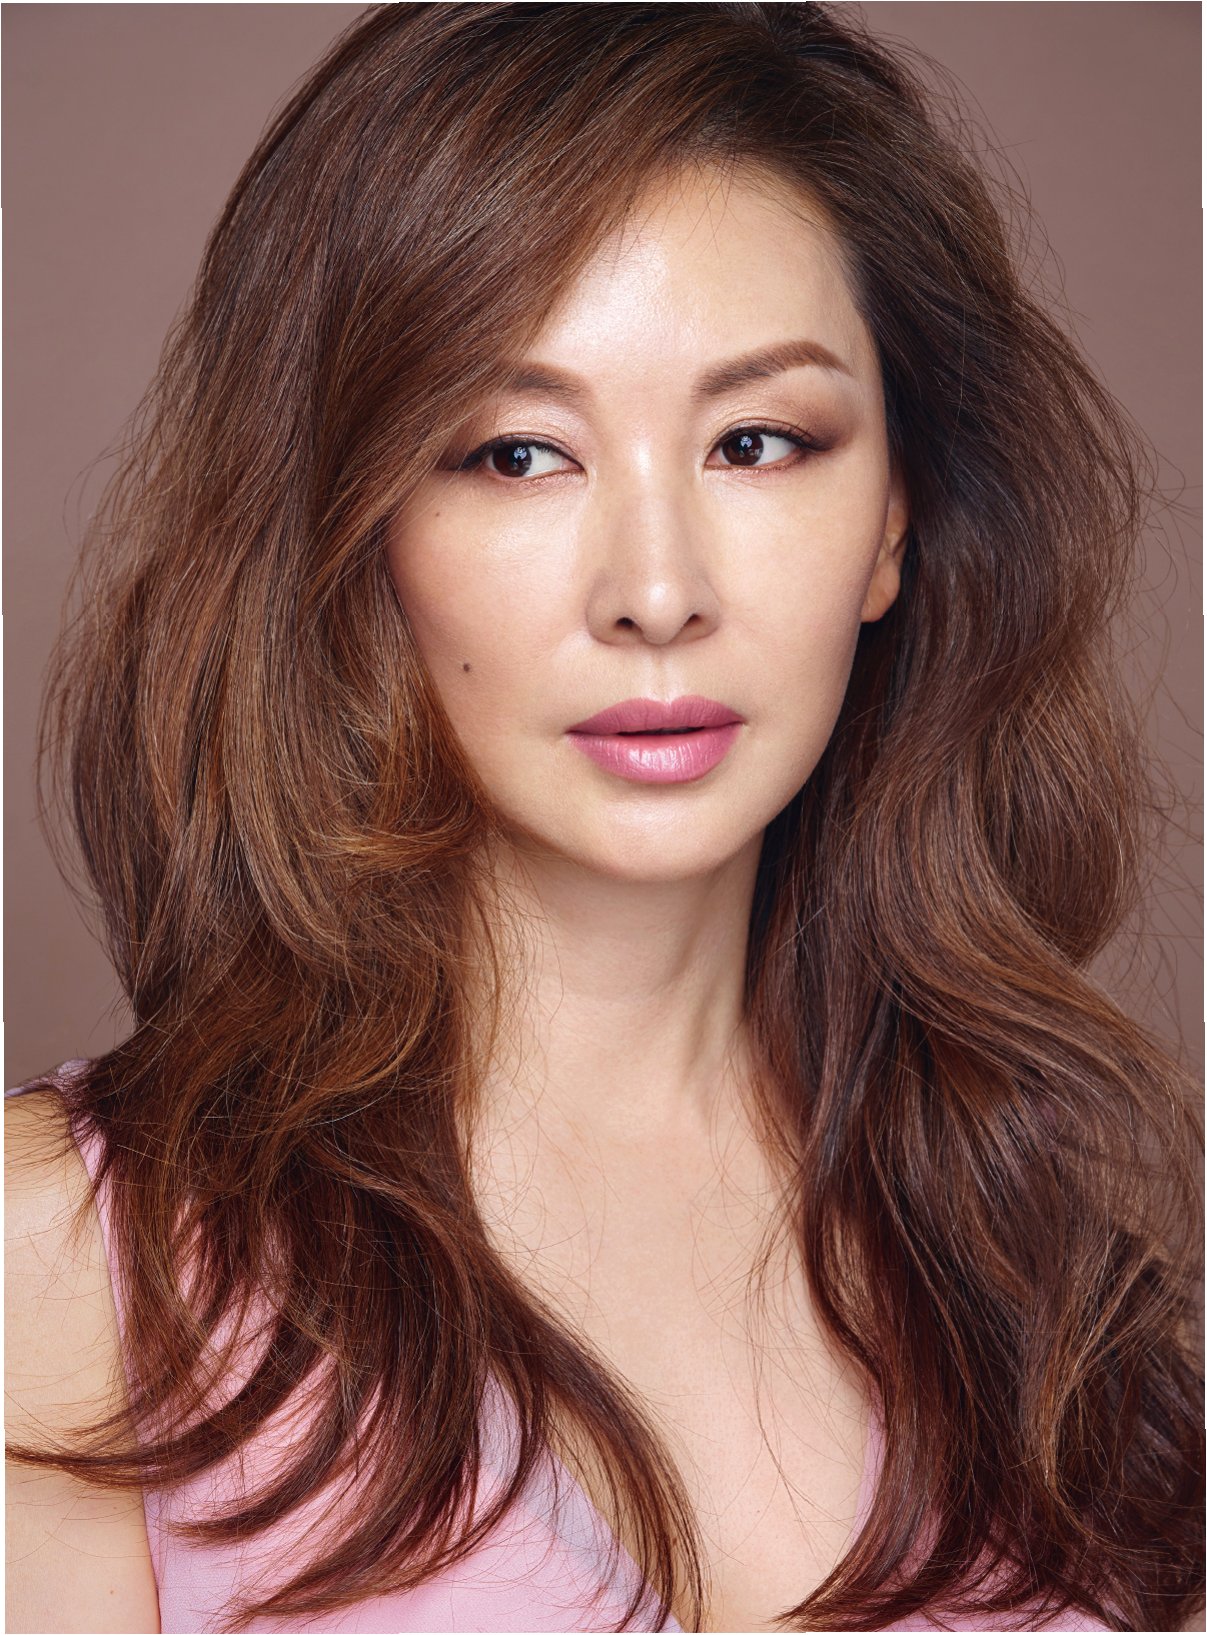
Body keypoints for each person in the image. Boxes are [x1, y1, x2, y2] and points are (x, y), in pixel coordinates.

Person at [6, 4, 1202, 1632]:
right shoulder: (62, 1279)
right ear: (355, 527)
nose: (656, 591)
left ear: (894, 520)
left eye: (757, 442)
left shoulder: (1039, 1286)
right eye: (517, 454)